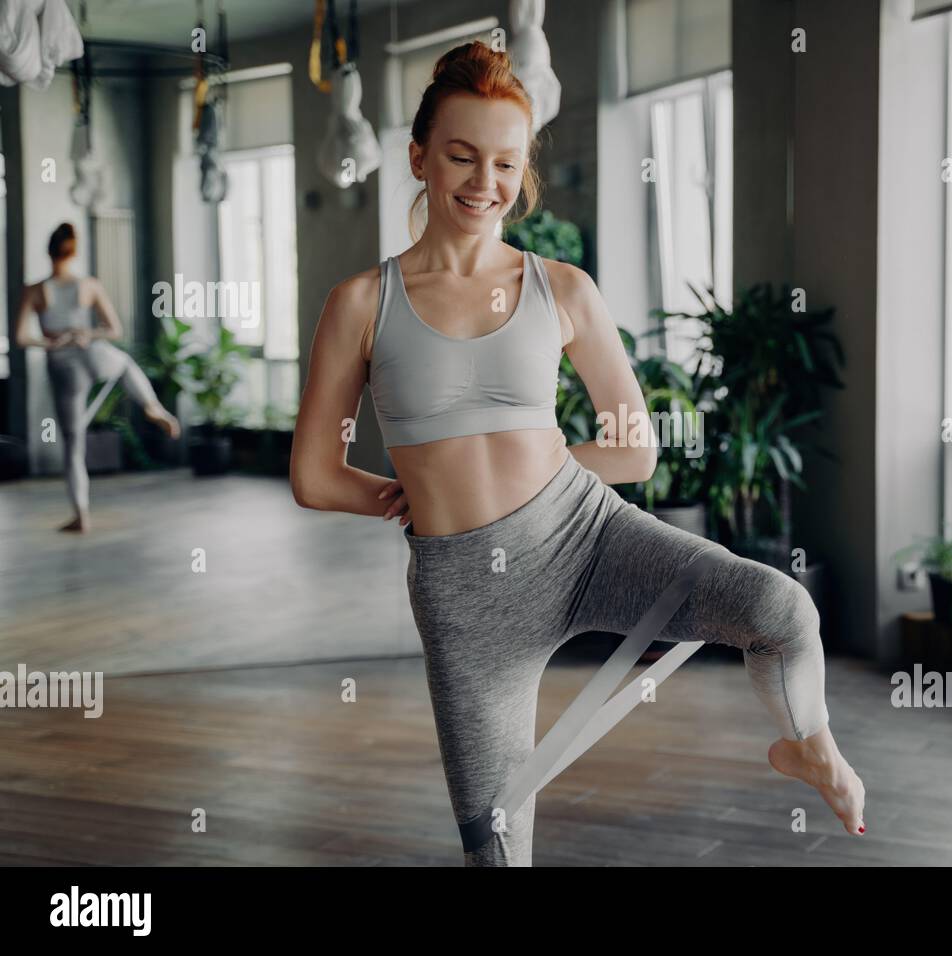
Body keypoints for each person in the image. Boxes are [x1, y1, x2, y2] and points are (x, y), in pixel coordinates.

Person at [290, 40, 865, 867]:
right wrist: (397, 494)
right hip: (463, 591)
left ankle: (810, 746)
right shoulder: (360, 305)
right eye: (459, 156)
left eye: (503, 163)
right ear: (418, 155)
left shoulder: (561, 289)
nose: (482, 182)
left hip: (587, 537)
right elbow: (314, 475)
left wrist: (545, 469)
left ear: (521, 173)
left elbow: (634, 455)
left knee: (782, 611)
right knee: (493, 841)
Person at [14, 222, 180, 533]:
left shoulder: (35, 290)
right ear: (74, 251)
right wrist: (88, 333)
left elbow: (21, 337)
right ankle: (152, 405)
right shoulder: (88, 285)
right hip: (93, 353)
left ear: (48, 252)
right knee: (126, 364)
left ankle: (81, 516)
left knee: (74, 443)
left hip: (63, 364)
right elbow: (114, 330)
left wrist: (49, 342)